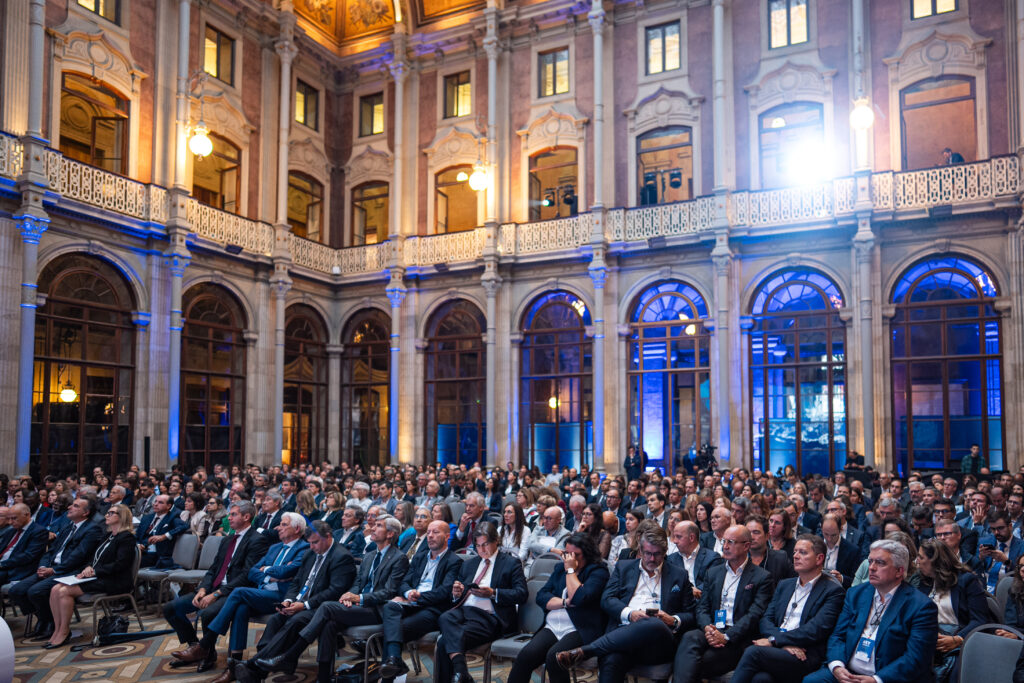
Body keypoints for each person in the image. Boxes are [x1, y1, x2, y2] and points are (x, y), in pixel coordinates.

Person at [246, 516, 409, 680]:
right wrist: (349, 595)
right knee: (328, 624)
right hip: (356, 606)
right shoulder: (370, 555)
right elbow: (357, 583)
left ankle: (288, 656)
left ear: (390, 534)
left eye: (379, 526)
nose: (372, 528)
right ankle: (324, 675)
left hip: (376, 609)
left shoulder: (399, 557)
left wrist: (358, 597)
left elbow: (389, 592)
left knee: (325, 608)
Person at [171, 512, 310, 680]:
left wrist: (266, 570)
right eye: (280, 524)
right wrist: (270, 576)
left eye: (284, 524)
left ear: (297, 529)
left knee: (239, 592)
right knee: (240, 609)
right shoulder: (275, 547)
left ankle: (205, 644)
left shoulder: (304, 548)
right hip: (263, 592)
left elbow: (287, 571)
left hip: (282, 596)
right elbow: (252, 572)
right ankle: (234, 665)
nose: (278, 528)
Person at [555, 525, 696, 683]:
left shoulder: (679, 575)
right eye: (648, 553)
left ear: (665, 552)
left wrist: (673, 620)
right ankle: (593, 650)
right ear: (640, 550)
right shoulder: (624, 568)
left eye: (657, 554)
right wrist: (630, 614)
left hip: (657, 644)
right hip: (621, 638)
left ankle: (588, 650)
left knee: (653, 622)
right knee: (611, 660)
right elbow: (607, 599)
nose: (651, 559)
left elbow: (691, 614)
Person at [234, 521, 356, 683]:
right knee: (276, 619)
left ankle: (254, 665)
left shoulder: (341, 557)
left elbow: (335, 591)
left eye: (315, 542)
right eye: (309, 543)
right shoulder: (310, 553)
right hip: (301, 602)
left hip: (321, 607)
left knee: (296, 620)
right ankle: (261, 668)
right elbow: (297, 582)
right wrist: (288, 600)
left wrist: (304, 605)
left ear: (328, 536)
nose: (311, 547)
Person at [803, 539, 939, 683]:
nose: (872, 568)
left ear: (899, 571)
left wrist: (876, 679)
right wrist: (837, 665)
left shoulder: (921, 606)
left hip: (887, 677)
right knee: (811, 681)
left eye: (880, 563)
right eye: (870, 561)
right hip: (847, 672)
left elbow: (916, 658)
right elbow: (838, 636)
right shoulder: (856, 594)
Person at [164, 502, 271, 672]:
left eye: (233, 514)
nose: (229, 518)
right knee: (171, 608)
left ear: (246, 517)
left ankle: (207, 654)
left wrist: (216, 594)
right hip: (213, 588)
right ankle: (196, 647)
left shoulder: (257, 540)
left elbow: (247, 576)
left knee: (208, 613)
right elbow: (214, 569)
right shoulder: (228, 539)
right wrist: (203, 589)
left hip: (233, 591)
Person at [731, 535, 845, 683]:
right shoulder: (785, 585)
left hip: (805, 655)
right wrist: (781, 643)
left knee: (753, 652)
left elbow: (814, 630)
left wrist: (775, 640)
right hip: (780, 649)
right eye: (795, 552)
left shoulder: (833, 591)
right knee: (761, 679)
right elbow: (766, 619)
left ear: (819, 559)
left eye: (803, 552)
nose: (796, 556)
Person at [671, 524, 774, 683]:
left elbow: (754, 615)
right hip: (712, 629)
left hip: (737, 637)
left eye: (731, 542)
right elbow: (702, 607)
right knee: (689, 637)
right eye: (724, 541)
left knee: (695, 663)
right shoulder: (714, 573)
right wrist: (707, 628)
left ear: (746, 546)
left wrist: (726, 636)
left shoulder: (762, 577)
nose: (725, 546)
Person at [507, 533, 610, 683]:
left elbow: (579, 597)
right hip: (553, 625)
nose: (570, 559)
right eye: (567, 554)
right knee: (525, 656)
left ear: (588, 554)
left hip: (580, 628)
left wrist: (570, 571)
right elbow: (541, 596)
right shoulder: (560, 568)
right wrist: (564, 602)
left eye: (575, 555)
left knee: (555, 658)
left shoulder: (598, 571)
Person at [434, 522, 528, 683]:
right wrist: (457, 593)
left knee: (444, 643)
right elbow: (459, 594)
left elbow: (522, 594)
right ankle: (462, 672)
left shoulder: (510, 563)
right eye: (477, 546)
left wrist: (494, 593)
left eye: (485, 544)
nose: (482, 550)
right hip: (464, 613)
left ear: (496, 541)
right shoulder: (469, 564)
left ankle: (461, 673)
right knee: (444, 617)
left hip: (490, 617)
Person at [378, 520, 463, 681]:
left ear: (447, 536)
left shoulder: (454, 561)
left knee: (394, 629)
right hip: (411, 602)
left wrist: (418, 597)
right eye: (428, 532)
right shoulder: (419, 557)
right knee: (390, 607)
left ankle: (391, 667)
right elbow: (404, 582)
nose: (430, 536)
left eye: (435, 532)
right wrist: (409, 592)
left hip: (433, 609)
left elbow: (444, 592)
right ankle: (395, 660)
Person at [9, 495, 104, 639]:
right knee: (16, 591)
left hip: (70, 571)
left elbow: (78, 556)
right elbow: (51, 551)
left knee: (36, 591)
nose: (69, 507)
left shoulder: (92, 529)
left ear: (86, 512)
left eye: (76, 506)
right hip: (51, 568)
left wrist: (54, 570)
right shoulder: (68, 527)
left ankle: (50, 623)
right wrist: (43, 566)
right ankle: (44, 618)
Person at [42, 503, 135, 649]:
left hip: (115, 581)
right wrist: (89, 567)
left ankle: (64, 631)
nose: (107, 515)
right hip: (100, 577)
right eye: (108, 512)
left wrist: (95, 571)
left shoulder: (127, 538)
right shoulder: (108, 536)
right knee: (55, 589)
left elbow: (121, 564)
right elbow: (94, 558)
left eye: (111, 513)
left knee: (64, 591)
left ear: (122, 516)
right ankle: (58, 629)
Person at [916, 539, 991, 682]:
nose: (917, 562)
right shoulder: (924, 582)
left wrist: (958, 639)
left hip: (959, 642)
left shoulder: (967, 581)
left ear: (935, 561)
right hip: (928, 640)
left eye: (921, 557)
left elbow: (980, 620)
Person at [667, 520, 722, 598]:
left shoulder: (712, 558)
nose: (675, 541)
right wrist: (689, 591)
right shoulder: (671, 559)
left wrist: (695, 591)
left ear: (691, 538)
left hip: (701, 599)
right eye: (674, 536)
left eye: (678, 537)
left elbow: (712, 583)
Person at [0, 503, 49, 586]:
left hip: (14, 569)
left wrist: (2, 564)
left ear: (27, 515)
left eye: (14, 518)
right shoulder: (11, 531)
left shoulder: (39, 531)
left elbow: (28, 556)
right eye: (9, 518)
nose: (10, 522)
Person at [135, 493, 188, 568]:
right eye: (155, 501)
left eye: (160, 502)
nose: (156, 504)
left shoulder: (172, 517)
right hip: (141, 552)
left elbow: (184, 526)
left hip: (157, 556)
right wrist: (138, 545)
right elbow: (137, 536)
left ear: (168, 506)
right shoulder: (147, 518)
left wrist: (164, 536)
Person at [820, 513, 861, 588]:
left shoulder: (852, 550)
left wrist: (841, 578)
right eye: (826, 534)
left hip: (839, 590)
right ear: (821, 529)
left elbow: (856, 581)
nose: (829, 539)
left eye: (833, 535)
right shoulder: (815, 545)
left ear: (841, 529)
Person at [523, 506, 570, 570]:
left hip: (551, 567)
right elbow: (531, 544)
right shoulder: (538, 529)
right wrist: (551, 549)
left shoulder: (565, 534)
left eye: (549, 518)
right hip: (532, 564)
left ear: (558, 520)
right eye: (544, 517)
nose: (545, 521)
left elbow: (555, 556)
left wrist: (536, 551)